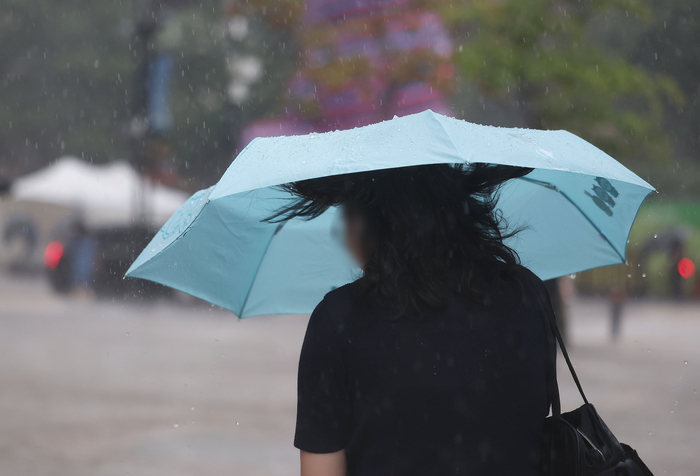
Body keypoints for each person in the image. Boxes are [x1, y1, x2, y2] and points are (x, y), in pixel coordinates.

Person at [268, 163, 552, 476]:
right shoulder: (526, 293)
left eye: (348, 214)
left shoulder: (339, 320)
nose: (343, 232)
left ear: (375, 224)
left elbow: (322, 470)